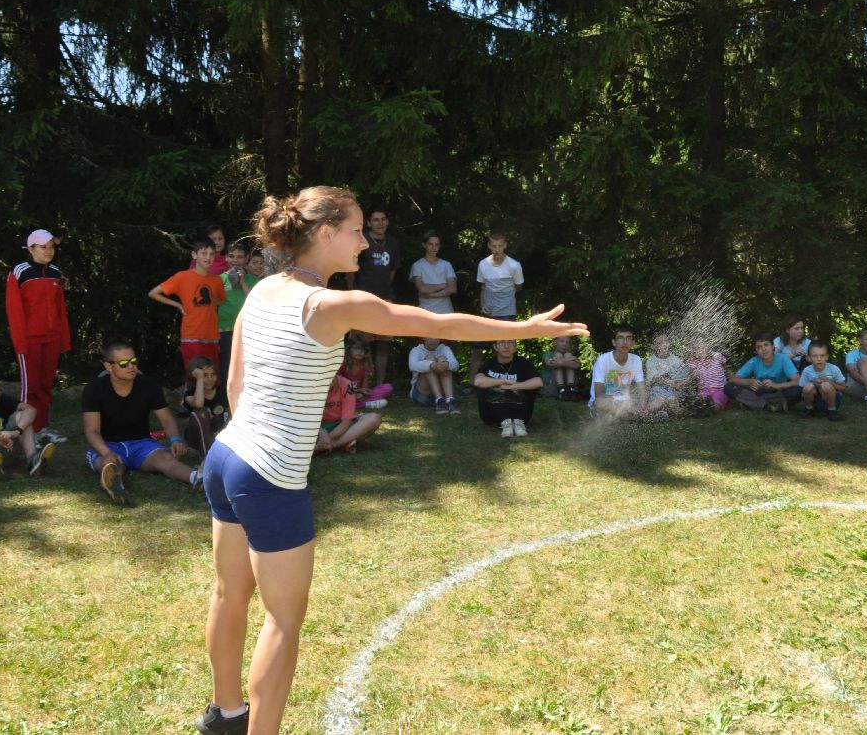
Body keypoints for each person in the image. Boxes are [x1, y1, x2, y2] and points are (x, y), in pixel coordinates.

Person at [197, 186, 584, 735]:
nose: (365, 242)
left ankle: (225, 714)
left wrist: (256, 446)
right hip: (268, 474)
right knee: (282, 623)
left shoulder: (262, 290)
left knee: (228, 593)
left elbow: (235, 384)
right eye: (356, 230)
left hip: (227, 455)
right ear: (324, 232)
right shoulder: (332, 304)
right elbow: (437, 324)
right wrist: (523, 329)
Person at [82, 339, 205, 505]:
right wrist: (105, 452)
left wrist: (175, 439)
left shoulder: (148, 385)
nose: (131, 366)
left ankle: (199, 479)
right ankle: (115, 486)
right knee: (111, 464)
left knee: (167, 459)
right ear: (108, 366)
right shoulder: (94, 388)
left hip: (141, 444)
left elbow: (166, 419)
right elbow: (91, 430)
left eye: (134, 361)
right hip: (108, 444)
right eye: (123, 363)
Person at [6, 228, 71, 444]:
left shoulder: (55, 272)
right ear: (31, 248)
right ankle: (25, 434)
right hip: (29, 341)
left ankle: (41, 429)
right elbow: (14, 312)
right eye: (44, 247)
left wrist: (64, 339)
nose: (49, 251)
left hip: (52, 339)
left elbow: (60, 309)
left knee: (45, 386)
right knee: (30, 389)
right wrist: (20, 344)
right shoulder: (19, 272)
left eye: (52, 247)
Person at [149, 236, 227, 373]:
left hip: (212, 337)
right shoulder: (182, 277)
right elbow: (153, 293)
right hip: (191, 336)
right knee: (195, 376)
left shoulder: (217, 280)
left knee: (211, 377)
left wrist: (210, 302)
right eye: (204, 253)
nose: (208, 257)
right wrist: (178, 305)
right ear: (194, 255)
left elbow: (221, 300)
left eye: (211, 254)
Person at [0, 370, 54, 480]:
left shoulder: (5, 400)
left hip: (6, 452)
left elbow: (31, 410)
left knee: (22, 416)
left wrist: (16, 432)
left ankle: (32, 461)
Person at [350, 206, 401, 386]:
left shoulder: (393, 243)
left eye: (383, 219)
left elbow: (392, 271)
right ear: (369, 223)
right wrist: (352, 292)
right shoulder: (361, 241)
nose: (380, 223)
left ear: (387, 221)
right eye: (376, 220)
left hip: (385, 300)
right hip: (363, 300)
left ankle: (379, 386)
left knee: (383, 344)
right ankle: (357, 386)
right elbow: (351, 269)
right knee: (359, 344)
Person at [470, 231, 524, 378]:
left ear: (505, 245)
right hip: (487, 314)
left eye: (500, 246)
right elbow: (483, 286)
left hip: (507, 313)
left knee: (505, 351)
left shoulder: (514, 265)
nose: (497, 249)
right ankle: (473, 384)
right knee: (477, 350)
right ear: (489, 246)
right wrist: (482, 304)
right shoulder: (483, 264)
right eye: (494, 246)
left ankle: (505, 382)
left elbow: (519, 286)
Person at [217, 246, 262, 399]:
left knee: (245, 368)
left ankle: (243, 400)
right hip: (224, 330)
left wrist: (242, 281)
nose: (235, 260)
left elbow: (254, 300)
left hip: (246, 330)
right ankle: (224, 402)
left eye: (240, 257)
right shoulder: (220, 278)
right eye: (232, 256)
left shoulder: (253, 280)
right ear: (226, 258)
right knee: (225, 367)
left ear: (246, 259)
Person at [473, 339, 541, 437]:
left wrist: (513, 386)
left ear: (515, 347)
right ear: (495, 347)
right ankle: (505, 422)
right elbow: (478, 381)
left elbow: (538, 382)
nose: (506, 346)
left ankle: (518, 422)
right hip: (494, 411)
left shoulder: (523, 363)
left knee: (530, 387)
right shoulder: (490, 363)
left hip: (519, 407)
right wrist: (503, 381)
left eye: (510, 342)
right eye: (502, 342)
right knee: (486, 387)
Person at [726, 332, 801, 411]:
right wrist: (750, 381)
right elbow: (733, 379)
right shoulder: (753, 361)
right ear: (756, 351)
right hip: (758, 392)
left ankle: (753, 404)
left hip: (778, 392)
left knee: (798, 390)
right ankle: (768, 406)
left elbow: (797, 381)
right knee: (729, 387)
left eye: (766, 345)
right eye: (759, 347)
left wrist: (776, 385)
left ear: (773, 347)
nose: (763, 349)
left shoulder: (783, 359)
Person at [589, 326, 646, 421]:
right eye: (620, 337)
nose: (625, 342)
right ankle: (637, 417)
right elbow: (599, 395)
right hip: (608, 402)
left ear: (633, 342)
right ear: (614, 342)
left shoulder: (636, 359)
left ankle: (634, 415)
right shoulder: (603, 360)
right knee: (600, 402)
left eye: (628, 338)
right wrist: (624, 406)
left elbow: (641, 388)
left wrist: (642, 406)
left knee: (659, 400)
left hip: (627, 401)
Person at [318, 375, 381, 454]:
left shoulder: (346, 384)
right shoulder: (308, 385)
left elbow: (346, 421)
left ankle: (328, 445)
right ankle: (344, 442)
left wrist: (327, 438)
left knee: (374, 418)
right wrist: (321, 431)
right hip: (317, 427)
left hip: (341, 425)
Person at [184, 356, 229, 458]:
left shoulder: (222, 391)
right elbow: (198, 404)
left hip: (219, 434)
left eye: (213, 375)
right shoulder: (190, 394)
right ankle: (207, 458)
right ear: (195, 377)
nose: (210, 379)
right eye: (204, 375)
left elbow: (231, 414)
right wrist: (199, 380)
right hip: (197, 437)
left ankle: (214, 453)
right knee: (201, 412)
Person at [409, 336, 461, 414]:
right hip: (422, 396)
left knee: (443, 359)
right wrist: (431, 365)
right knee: (429, 359)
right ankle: (439, 400)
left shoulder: (445, 348)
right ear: (423, 338)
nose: (433, 340)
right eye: (430, 337)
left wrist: (446, 365)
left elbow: (456, 365)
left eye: (436, 337)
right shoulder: (416, 350)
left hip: (444, 394)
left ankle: (450, 400)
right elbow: (412, 366)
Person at [339, 332, 391, 410]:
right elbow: (338, 387)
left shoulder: (365, 365)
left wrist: (363, 393)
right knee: (340, 397)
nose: (360, 351)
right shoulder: (343, 365)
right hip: (344, 393)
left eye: (363, 349)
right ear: (349, 349)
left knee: (388, 387)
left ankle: (360, 403)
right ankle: (364, 404)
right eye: (356, 348)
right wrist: (357, 392)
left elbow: (364, 388)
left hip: (359, 395)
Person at [408, 230, 456, 314]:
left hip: (446, 311)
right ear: (424, 245)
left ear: (440, 246)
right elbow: (422, 289)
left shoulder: (446, 264)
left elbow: (453, 288)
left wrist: (431, 295)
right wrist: (444, 285)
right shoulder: (417, 265)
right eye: (430, 244)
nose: (434, 247)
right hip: (425, 312)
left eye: (437, 245)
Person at [799, 341, 846, 420]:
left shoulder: (834, 369)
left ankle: (832, 410)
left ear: (827, 357)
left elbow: (843, 388)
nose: (819, 359)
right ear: (809, 358)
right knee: (808, 386)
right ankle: (809, 408)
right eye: (815, 356)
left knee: (826, 385)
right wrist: (814, 384)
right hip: (815, 400)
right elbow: (802, 390)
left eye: (822, 355)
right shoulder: (807, 370)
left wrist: (831, 383)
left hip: (833, 398)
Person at [645, 332, 689, 414]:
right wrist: (671, 382)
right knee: (658, 395)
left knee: (679, 369)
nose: (664, 344)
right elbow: (654, 380)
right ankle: (670, 406)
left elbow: (684, 374)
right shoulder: (651, 361)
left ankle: (668, 408)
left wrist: (681, 383)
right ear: (653, 346)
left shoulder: (675, 358)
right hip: (660, 390)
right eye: (660, 343)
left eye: (666, 341)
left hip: (675, 389)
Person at [687, 341, 729, 411]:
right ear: (693, 351)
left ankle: (712, 408)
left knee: (716, 400)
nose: (700, 350)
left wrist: (731, 381)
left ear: (707, 347)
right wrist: (686, 381)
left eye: (703, 347)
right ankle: (703, 407)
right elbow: (692, 376)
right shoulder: (693, 362)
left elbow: (726, 369)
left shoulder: (717, 356)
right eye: (697, 348)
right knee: (702, 399)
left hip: (720, 389)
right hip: (704, 390)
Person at [542, 335, 581, 400]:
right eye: (561, 341)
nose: (564, 344)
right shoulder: (548, 354)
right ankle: (561, 390)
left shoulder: (570, 355)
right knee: (558, 355)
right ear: (554, 342)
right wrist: (571, 360)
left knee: (568, 354)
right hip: (552, 387)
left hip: (568, 385)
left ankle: (571, 389)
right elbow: (551, 363)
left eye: (567, 342)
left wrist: (560, 362)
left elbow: (577, 365)